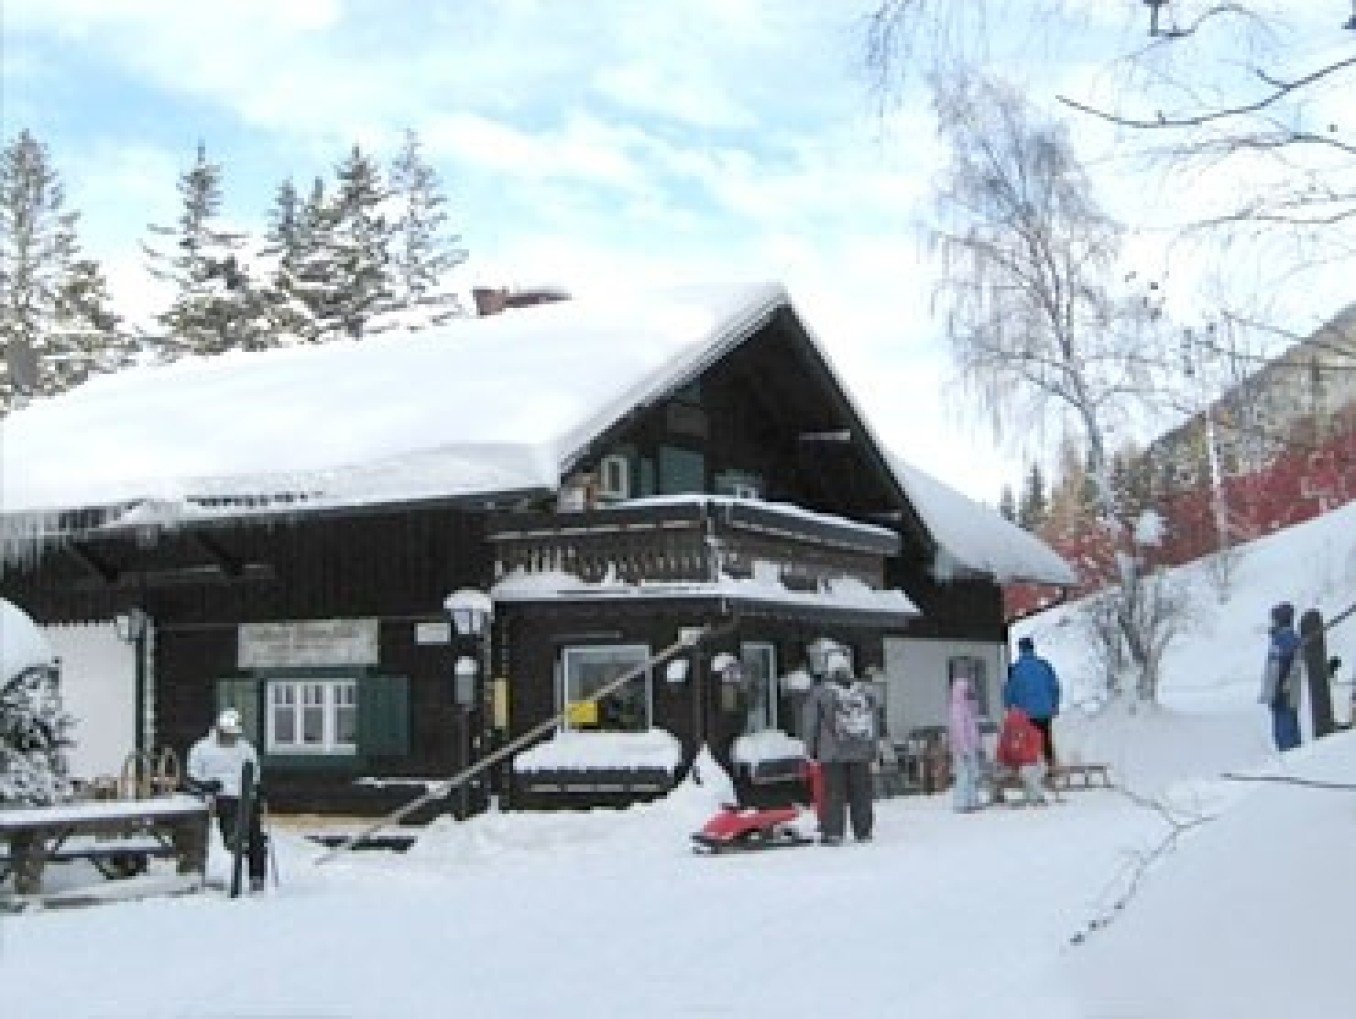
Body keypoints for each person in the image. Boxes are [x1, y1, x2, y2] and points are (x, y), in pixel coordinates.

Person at [187, 708, 267, 891]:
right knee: (229, 811)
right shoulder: (202, 749)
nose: (231, 738)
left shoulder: (246, 749)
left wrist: (257, 787)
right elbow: (193, 775)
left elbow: (255, 773)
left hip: (244, 794)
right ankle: (233, 836)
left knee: (255, 831)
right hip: (219, 796)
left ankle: (257, 874)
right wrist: (206, 785)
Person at [802, 651, 877, 845]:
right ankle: (863, 831)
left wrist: (810, 750)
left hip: (832, 752)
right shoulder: (863, 691)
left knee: (834, 793)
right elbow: (875, 722)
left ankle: (834, 832)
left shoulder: (821, 692)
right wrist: (872, 748)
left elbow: (811, 724)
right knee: (861, 792)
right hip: (860, 751)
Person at [1004, 636, 1061, 767]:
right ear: (1032, 648)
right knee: (1046, 738)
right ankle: (1051, 767)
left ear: (1021, 650)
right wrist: (1054, 705)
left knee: (1029, 741)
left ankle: (1033, 769)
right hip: (1045, 711)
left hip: (1027, 713)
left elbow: (1009, 690)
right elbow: (1055, 687)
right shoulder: (1044, 665)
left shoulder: (1016, 669)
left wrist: (1008, 706)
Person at [1259, 601, 1304, 752]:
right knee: (1287, 727)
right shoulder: (1284, 639)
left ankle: (1291, 758)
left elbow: (1279, 667)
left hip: (1282, 692)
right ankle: (1293, 754)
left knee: (1284, 731)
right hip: (1283, 692)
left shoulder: (1284, 640)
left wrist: (1281, 688)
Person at [996, 707, 1047, 806]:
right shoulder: (1006, 736)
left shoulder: (1033, 733)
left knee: (1027, 773)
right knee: (1023, 772)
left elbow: (1034, 753)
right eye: (1012, 725)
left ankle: (1038, 796)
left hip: (1037, 764)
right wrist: (1004, 762)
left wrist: (1020, 749)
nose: (1014, 729)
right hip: (1019, 766)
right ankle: (1032, 796)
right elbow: (1002, 752)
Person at [948, 674, 982, 812]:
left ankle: (972, 801)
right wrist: (964, 748)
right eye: (967, 691)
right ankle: (961, 803)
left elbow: (972, 726)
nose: (970, 693)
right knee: (963, 774)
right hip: (962, 748)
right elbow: (959, 731)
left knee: (972, 774)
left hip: (971, 746)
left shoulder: (967, 708)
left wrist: (976, 744)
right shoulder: (956, 709)